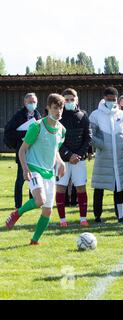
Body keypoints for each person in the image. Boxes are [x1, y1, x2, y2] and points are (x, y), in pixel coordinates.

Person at [5, 94, 66, 245]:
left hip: (49, 173)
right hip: (34, 169)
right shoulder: (36, 126)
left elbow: (54, 151)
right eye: (55, 108)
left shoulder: (62, 130)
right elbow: (22, 150)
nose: (59, 111)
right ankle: (16, 213)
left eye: (61, 108)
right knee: (39, 201)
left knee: (47, 211)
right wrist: (25, 169)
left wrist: (61, 163)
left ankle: (34, 241)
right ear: (48, 108)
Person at [89, 87, 123, 223]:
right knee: (99, 186)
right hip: (103, 157)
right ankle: (97, 216)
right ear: (104, 98)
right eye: (109, 99)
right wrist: (100, 145)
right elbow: (91, 134)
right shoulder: (95, 115)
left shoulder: (121, 114)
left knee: (118, 186)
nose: (111, 102)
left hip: (118, 158)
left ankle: (121, 215)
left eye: (113, 100)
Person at [56, 88, 91, 227]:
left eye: (72, 99)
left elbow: (88, 138)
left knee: (81, 188)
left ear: (77, 100)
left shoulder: (83, 115)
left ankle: (83, 219)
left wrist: (79, 155)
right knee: (61, 189)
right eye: (66, 100)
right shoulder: (58, 117)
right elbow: (56, 140)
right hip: (61, 161)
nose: (69, 102)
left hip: (79, 160)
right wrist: (68, 155)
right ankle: (62, 221)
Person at [4, 93, 42, 210]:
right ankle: (18, 205)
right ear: (25, 103)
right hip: (22, 151)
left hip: (34, 152)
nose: (32, 104)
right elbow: (9, 132)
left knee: (34, 178)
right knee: (21, 179)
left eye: (34, 102)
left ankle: (33, 201)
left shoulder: (37, 114)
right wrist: (26, 134)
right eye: (30, 102)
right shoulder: (18, 115)